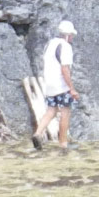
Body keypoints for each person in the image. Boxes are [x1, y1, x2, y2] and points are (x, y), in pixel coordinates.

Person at [32, 20, 79, 150]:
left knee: (51, 110)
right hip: (61, 85)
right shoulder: (66, 47)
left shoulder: (50, 44)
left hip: (49, 84)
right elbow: (65, 69)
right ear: (68, 35)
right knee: (65, 112)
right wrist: (71, 88)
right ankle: (63, 143)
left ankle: (38, 133)